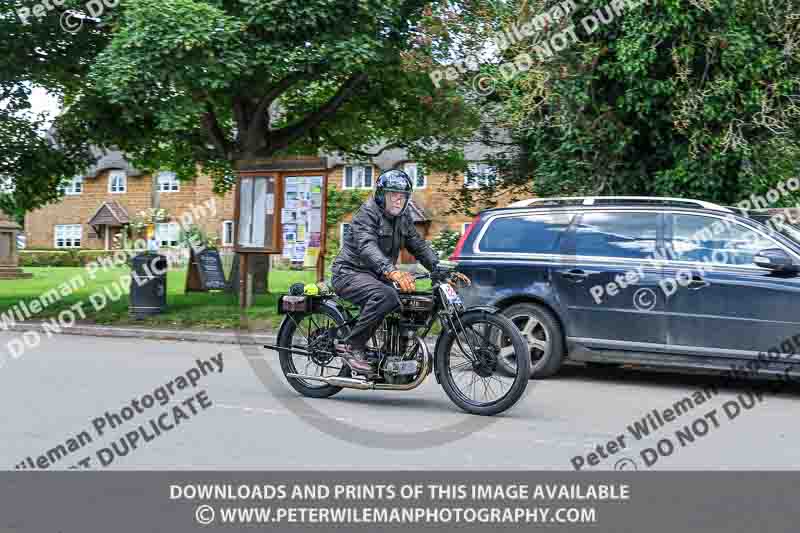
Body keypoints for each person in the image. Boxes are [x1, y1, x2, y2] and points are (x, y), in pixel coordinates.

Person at [330, 169, 443, 377]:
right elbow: (366, 247)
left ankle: (396, 356)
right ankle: (351, 346)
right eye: (393, 195)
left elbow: (417, 245)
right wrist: (392, 271)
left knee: (410, 301)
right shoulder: (367, 214)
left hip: (376, 276)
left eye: (403, 196)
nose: (398, 200)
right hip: (349, 272)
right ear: (382, 195)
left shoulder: (403, 217)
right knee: (385, 295)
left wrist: (440, 269)